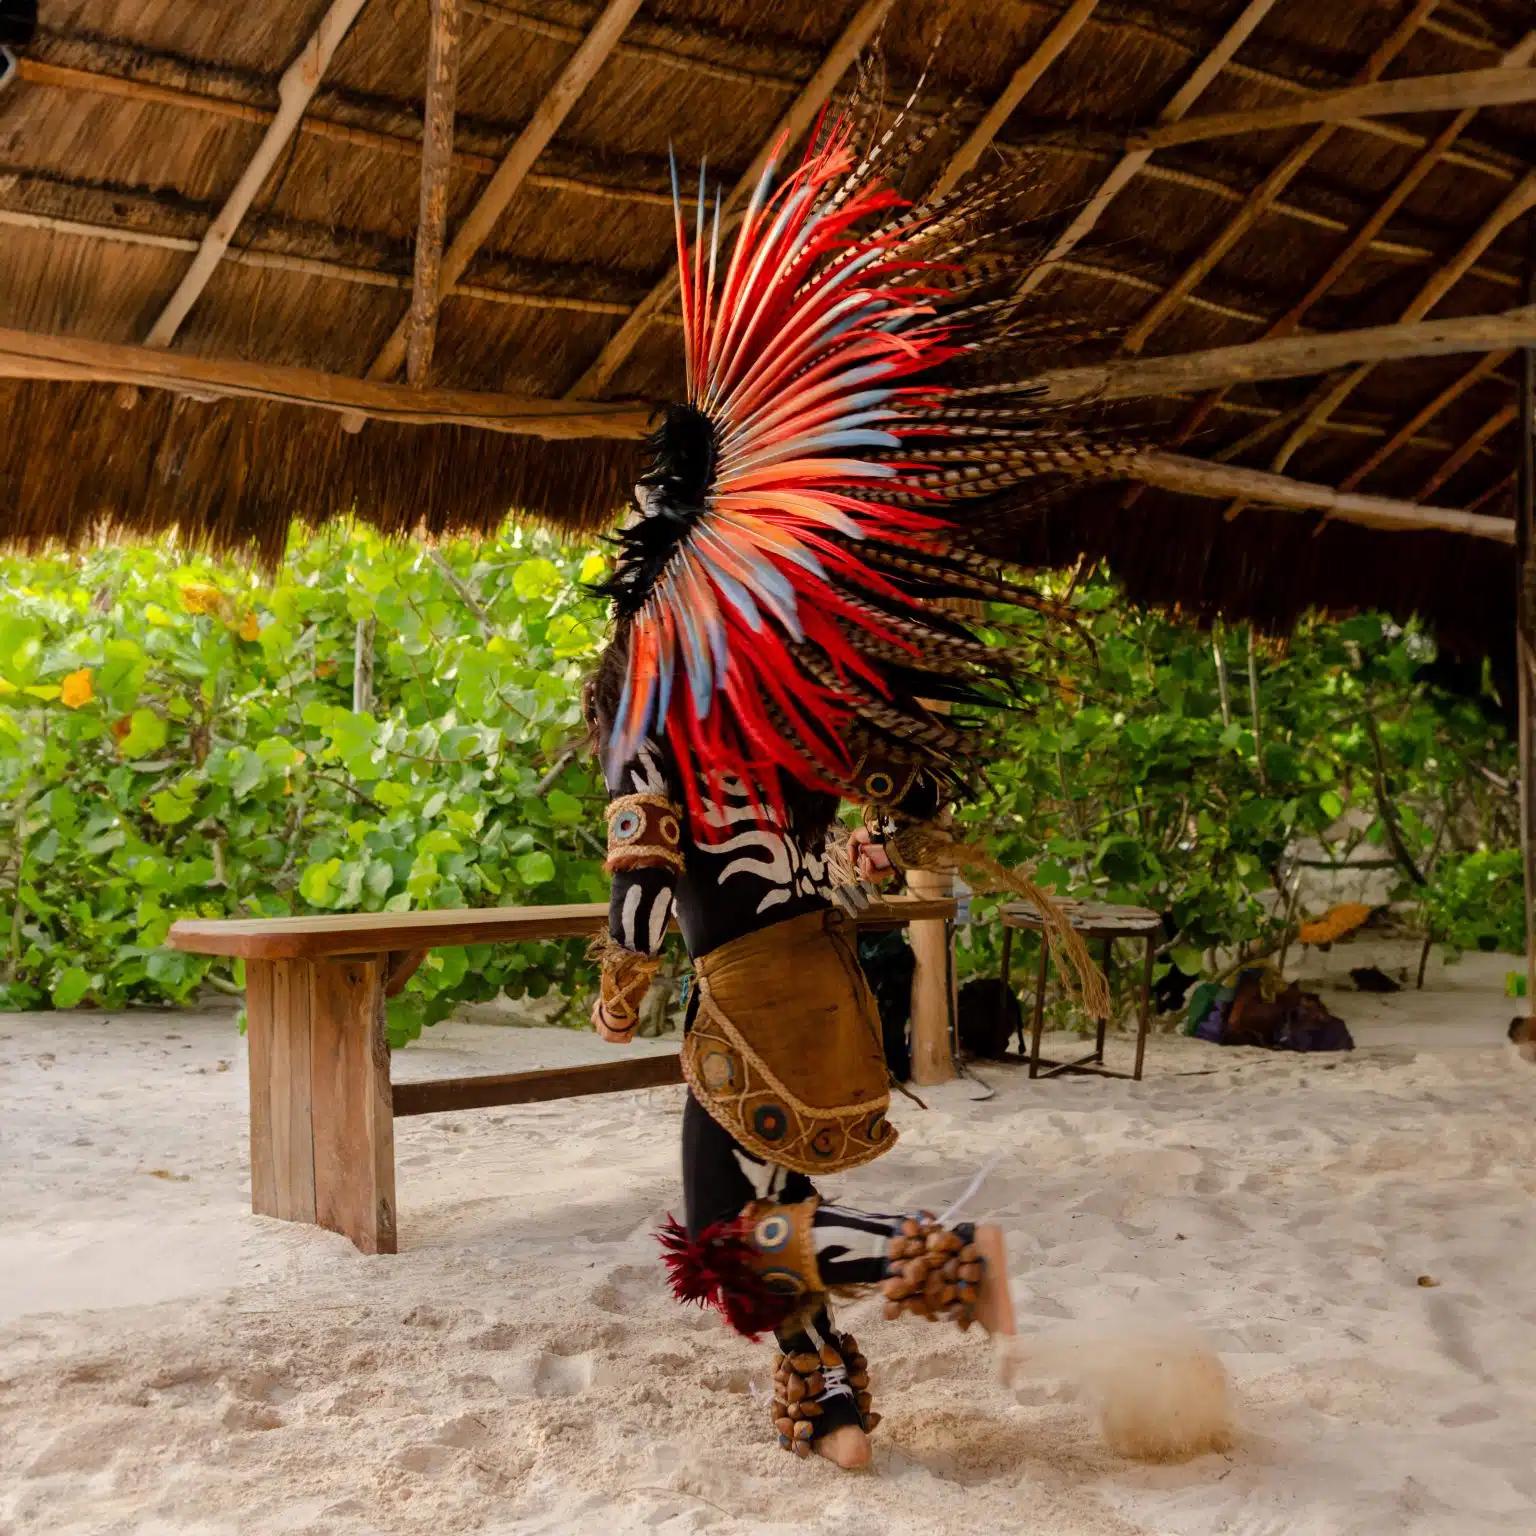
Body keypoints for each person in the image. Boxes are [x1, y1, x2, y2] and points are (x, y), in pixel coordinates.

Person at [581, 99, 1118, 1468]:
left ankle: (947, 1263)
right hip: (819, 975)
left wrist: (627, 937)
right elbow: (843, 834)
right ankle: (827, 1395)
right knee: (764, 1210)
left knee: (728, 1230)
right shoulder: (778, 714)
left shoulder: (665, 698)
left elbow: (646, 872)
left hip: (760, 993)